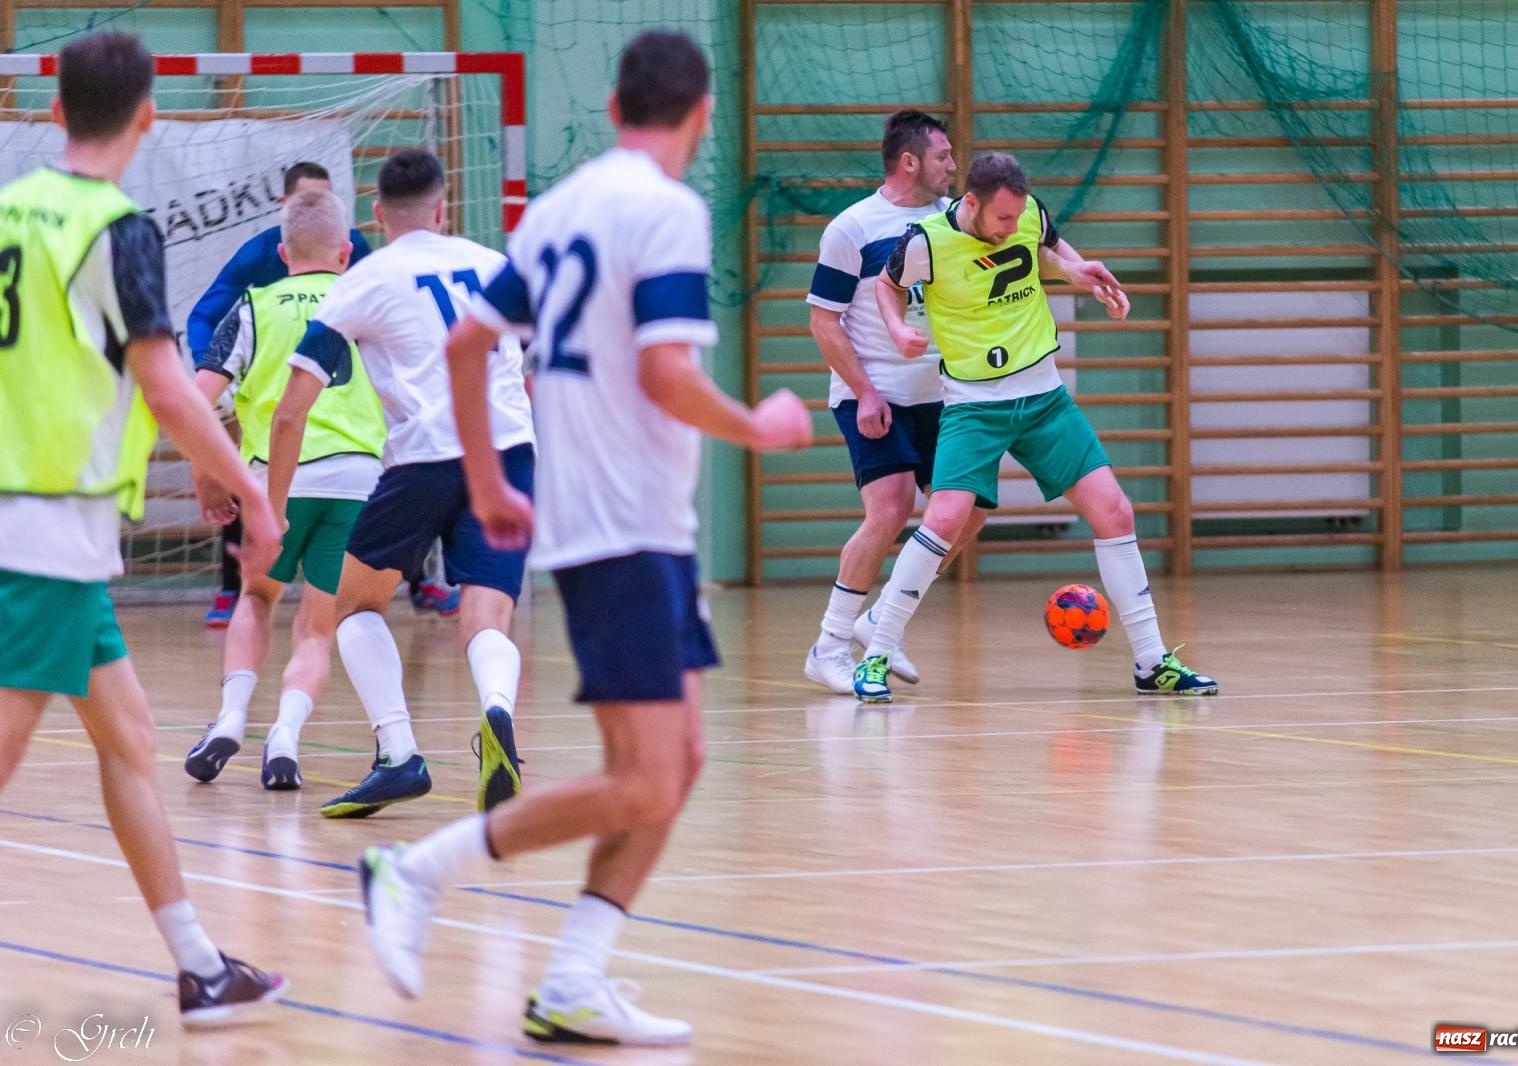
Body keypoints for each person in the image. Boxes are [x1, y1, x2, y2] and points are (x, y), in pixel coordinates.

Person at [356, 30, 811, 1046]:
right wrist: (763, 425)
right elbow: (665, 373)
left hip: (631, 527)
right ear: (699, 116)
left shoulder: (556, 209)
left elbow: (471, 343)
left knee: (679, 759)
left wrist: (486, 480)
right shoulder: (667, 211)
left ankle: (571, 977)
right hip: (624, 529)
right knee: (646, 777)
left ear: (613, 109)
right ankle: (414, 871)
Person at [0, 30, 286, 1024]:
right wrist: (247, 490)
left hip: (47, 525)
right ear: (150, 112)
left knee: (129, 736)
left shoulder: (9, 213)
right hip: (40, 522)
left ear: (56, 107)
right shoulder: (113, 225)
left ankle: (199, 965)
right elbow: (165, 384)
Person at [855, 152, 1219, 702]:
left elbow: (1047, 246)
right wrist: (897, 326)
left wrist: (1078, 270)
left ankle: (1151, 661)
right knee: (947, 516)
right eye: (1000, 219)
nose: (1010, 227)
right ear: (970, 203)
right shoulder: (925, 242)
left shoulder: (1027, 215)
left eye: (1016, 217)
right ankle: (877, 651)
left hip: (1044, 397)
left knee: (1115, 510)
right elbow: (886, 286)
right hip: (974, 404)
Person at [272, 149, 532, 819]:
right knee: (487, 611)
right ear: (444, 209)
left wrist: (269, 509)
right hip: (507, 451)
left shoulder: (362, 279)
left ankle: (398, 754)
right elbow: (534, 369)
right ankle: (497, 712)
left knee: (351, 605)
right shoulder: (495, 265)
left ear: (376, 215)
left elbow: (293, 406)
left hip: (425, 456)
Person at [182, 189, 386, 791]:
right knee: (318, 626)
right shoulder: (368, 306)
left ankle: (231, 718)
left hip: (280, 478)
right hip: (357, 480)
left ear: (280, 252)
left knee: (257, 600)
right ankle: (287, 737)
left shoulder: (255, 304)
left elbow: (198, 401)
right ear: (346, 252)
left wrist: (207, 477)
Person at [802, 109, 985, 694]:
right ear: (910, 162)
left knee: (971, 511)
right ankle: (829, 645)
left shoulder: (954, 221)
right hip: (874, 392)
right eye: (943, 156)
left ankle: (882, 618)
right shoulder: (852, 228)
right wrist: (864, 391)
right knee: (890, 507)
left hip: (944, 396)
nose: (953, 166)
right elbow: (823, 321)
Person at [188, 161, 375, 628]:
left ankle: (422, 577)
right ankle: (231, 583)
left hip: (315, 424)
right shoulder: (257, 258)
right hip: (283, 402)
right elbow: (204, 316)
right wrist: (214, 369)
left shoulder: (360, 258)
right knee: (233, 455)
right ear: (284, 208)